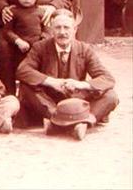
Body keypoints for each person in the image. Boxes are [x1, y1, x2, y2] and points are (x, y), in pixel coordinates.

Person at [17, 9, 118, 139]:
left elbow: (107, 79)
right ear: (51, 30)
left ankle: (82, 122)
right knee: (26, 88)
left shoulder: (85, 49)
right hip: (49, 103)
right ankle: (61, 120)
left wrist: (81, 84)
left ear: (74, 30)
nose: (62, 32)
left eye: (66, 28)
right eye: (58, 28)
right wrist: (51, 82)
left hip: (76, 101)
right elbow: (22, 70)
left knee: (111, 95)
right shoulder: (40, 47)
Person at [0, 0, 51, 94]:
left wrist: (42, 41)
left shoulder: (42, 12)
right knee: (10, 66)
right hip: (19, 48)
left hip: (37, 48)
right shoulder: (13, 11)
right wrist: (18, 41)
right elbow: (7, 31)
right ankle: (10, 92)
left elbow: (47, 30)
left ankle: (36, 91)